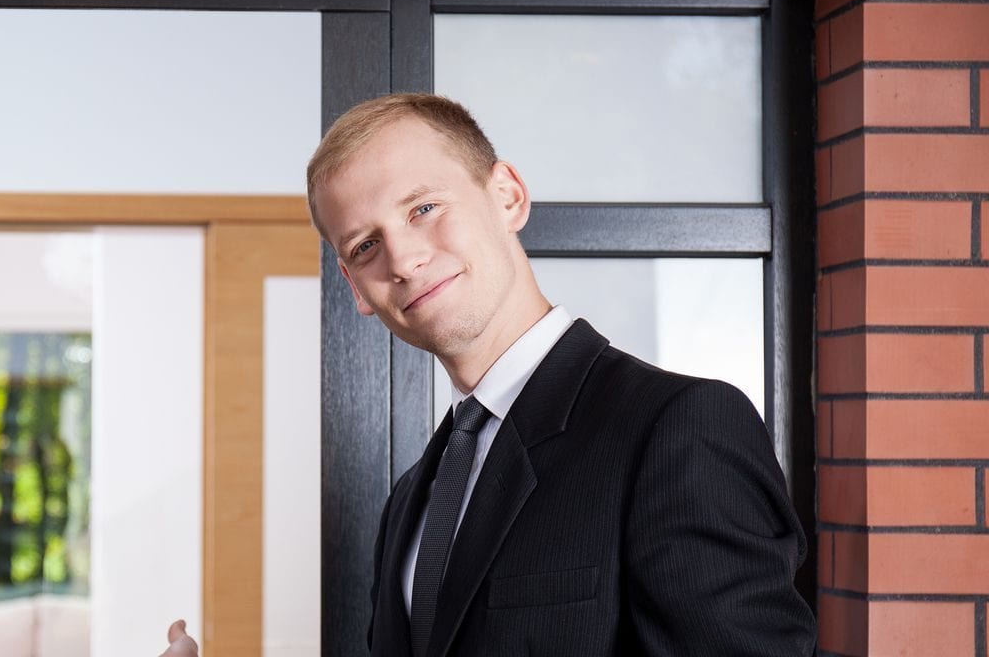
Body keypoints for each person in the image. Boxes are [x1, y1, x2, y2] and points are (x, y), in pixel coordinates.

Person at [160, 93, 816, 657]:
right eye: (365, 246)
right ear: (355, 287)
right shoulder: (412, 499)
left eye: (423, 208)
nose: (404, 260)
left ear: (507, 196)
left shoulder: (677, 428)